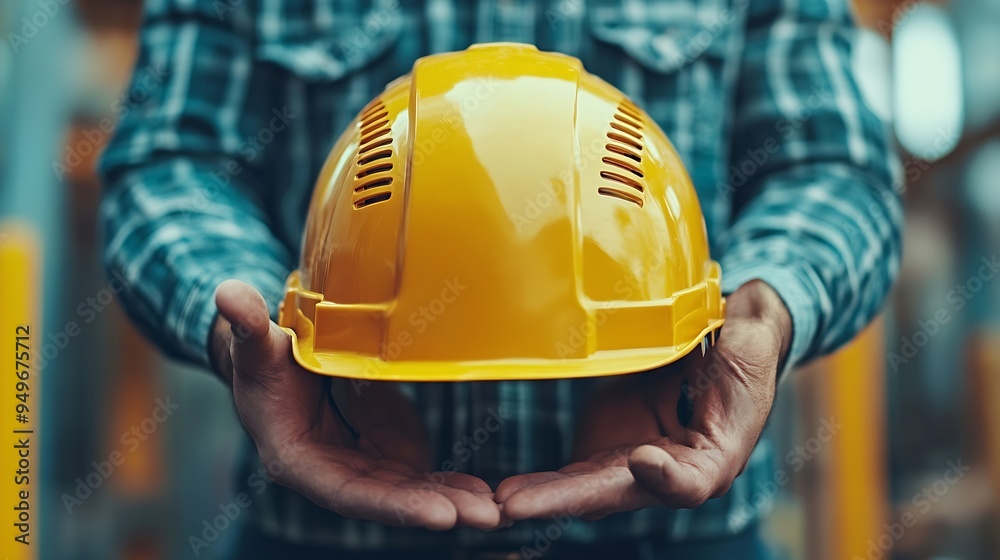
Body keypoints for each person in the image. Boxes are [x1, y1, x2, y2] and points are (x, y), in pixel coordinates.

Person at [99, 0, 902, 558]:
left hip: (677, 536)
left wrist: (769, 305)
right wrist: (254, 329)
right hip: (324, 528)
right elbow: (173, 164)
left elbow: (830, 166)